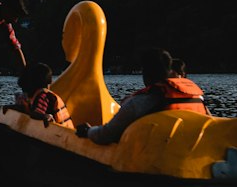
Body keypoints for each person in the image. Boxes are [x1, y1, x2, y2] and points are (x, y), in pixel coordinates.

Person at [76, 47, 207, 145]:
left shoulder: (138, 104)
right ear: (170, 70)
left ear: (145, 72)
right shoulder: (198, 99)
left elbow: (106, 135)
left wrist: (88, 131)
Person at [10, 61, 73, 128]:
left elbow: (38, 114)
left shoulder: (44, 96)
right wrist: (12, 107)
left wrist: (44, 116)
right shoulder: (36, 95)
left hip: (61, 133)